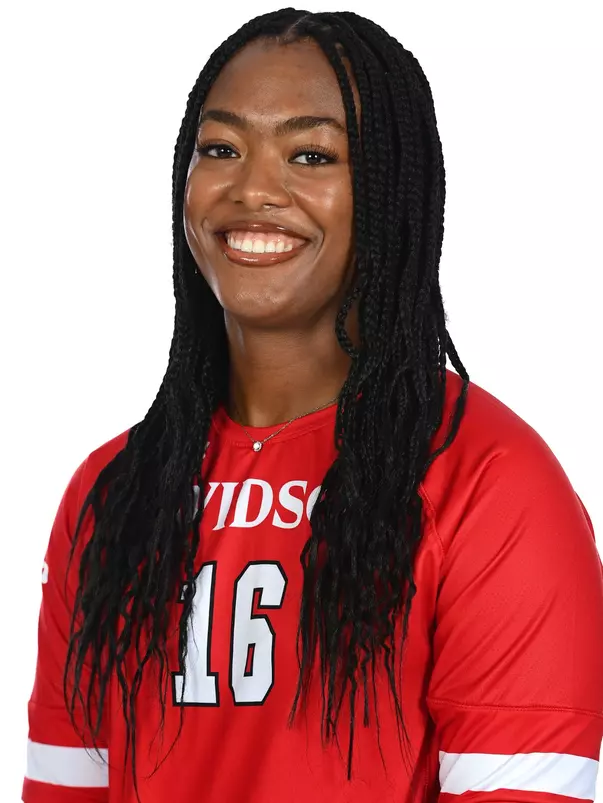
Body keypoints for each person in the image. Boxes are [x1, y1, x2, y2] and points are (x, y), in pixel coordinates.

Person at [23, 8, 603, 803]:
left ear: (391, 190)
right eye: (220, 148)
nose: (254, 189)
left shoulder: (488, 480)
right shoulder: (112, 492)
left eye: (310, 154)